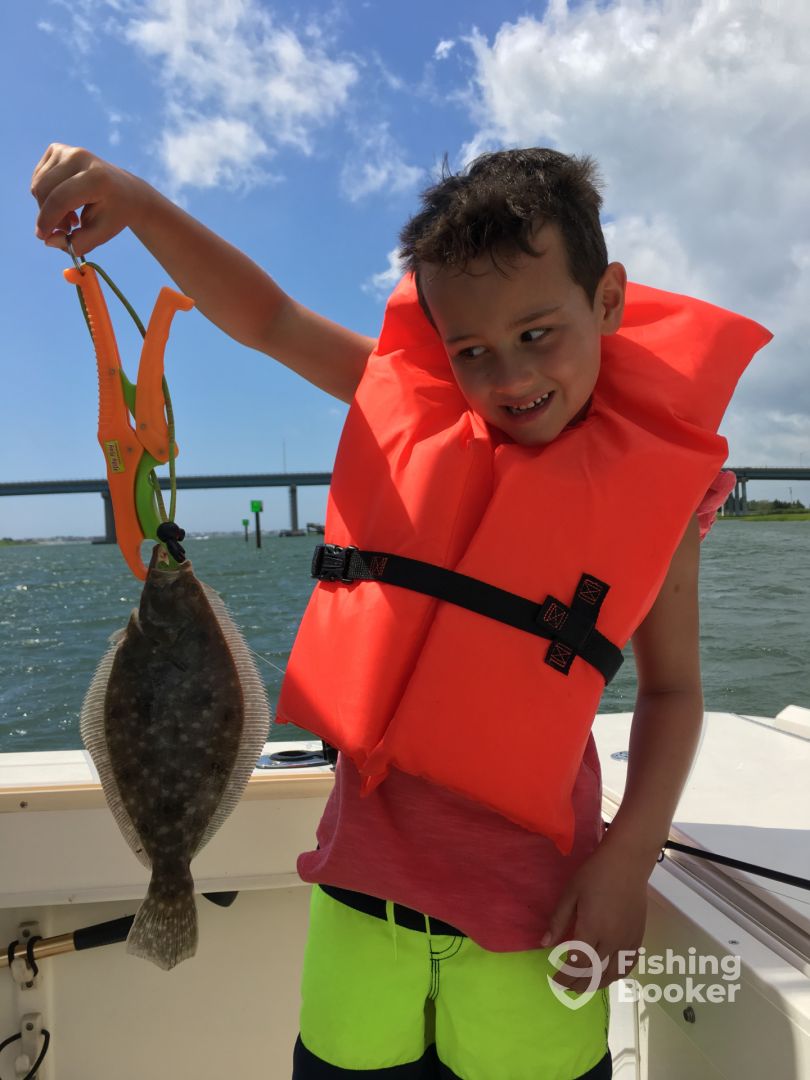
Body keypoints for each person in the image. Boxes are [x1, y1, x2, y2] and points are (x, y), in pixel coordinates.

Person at [31, 144, 761, 1079]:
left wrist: (627, 861)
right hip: (357, 900)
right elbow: (269, 318)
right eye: (470, 351)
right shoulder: (405, 407)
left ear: (607, 300)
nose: (508, 376)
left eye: (538, 332)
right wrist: (137, 203)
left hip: (533, 917)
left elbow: (673, 692)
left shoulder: (662, 501)